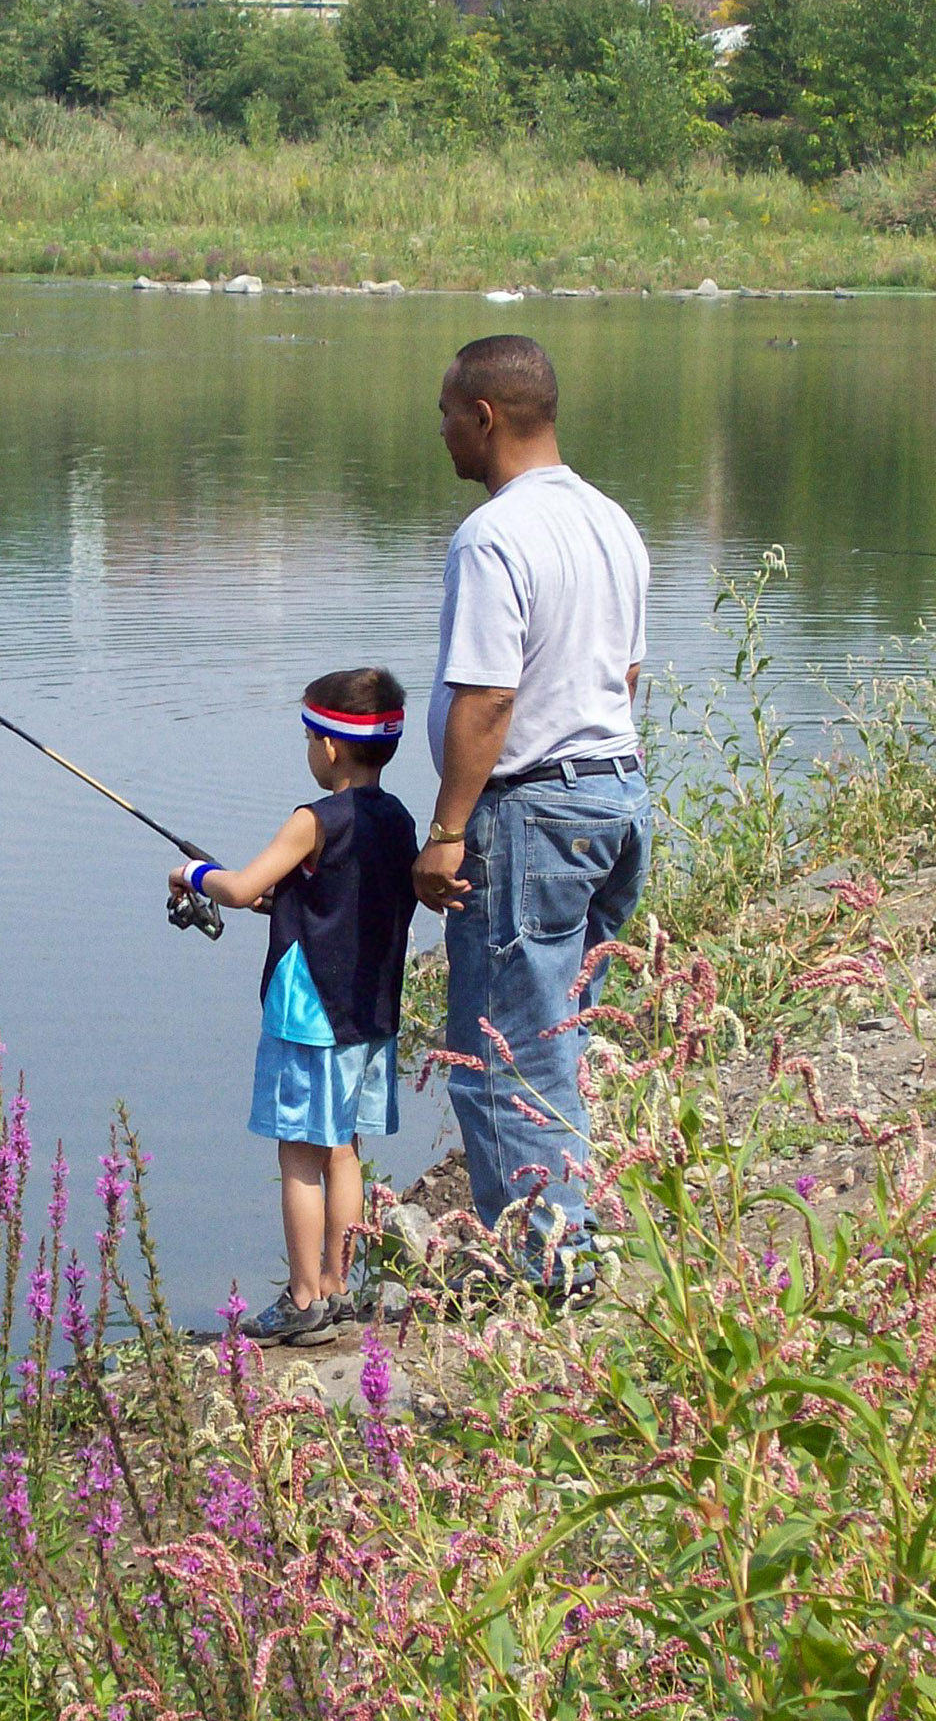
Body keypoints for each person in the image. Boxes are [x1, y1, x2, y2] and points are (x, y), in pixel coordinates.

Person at [412, 334, 651, 1291]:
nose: (440, 434)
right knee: (559, 1031)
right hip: (614, 795)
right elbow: (624, 675)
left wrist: (445, 832)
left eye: (444, 415)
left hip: (532, 812)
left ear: (484, 416)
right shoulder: (612, 522)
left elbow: (487, 698)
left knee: (503, 1045)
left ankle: (549, 1275)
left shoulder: (494, 535)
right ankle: (569, 1241)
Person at [170, 669, 418, 1346]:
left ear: (332, 749)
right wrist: (283, 899)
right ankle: (338, 1289)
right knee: (344, 1149)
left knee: (300, 1157)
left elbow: (242, 882)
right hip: (367, 1012)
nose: (309, 750)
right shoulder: (398, 819)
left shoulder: (313, 819)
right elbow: (340, 896)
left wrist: (192, 874)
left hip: (308, 1015)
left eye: (311, 738)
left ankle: (305, 1297)